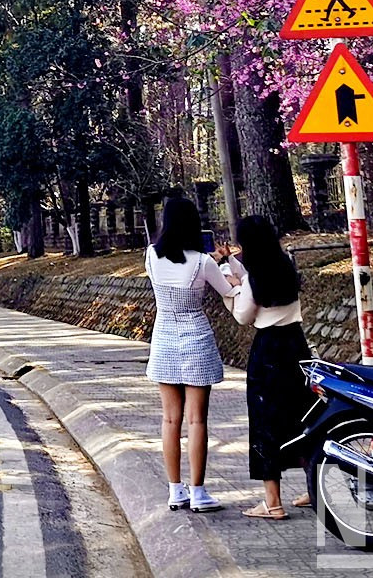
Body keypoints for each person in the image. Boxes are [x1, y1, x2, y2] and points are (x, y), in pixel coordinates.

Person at [145, 194, 237, 513]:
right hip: (196, 339)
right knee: (196, 420)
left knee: (170, 418)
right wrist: (226, 265)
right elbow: (228, 290)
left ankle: (175, 490)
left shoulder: (150, 255)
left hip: (164, 339)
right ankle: (198, 492)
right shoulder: (202, 261)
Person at [221, 217, 316, 519]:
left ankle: (272, 502)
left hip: (268, 350)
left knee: (266, 422)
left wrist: (232, 289)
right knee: (303, 414)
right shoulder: (286, 266)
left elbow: (243, 316)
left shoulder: (254, 278)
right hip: (296, 345)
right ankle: (314, 488)